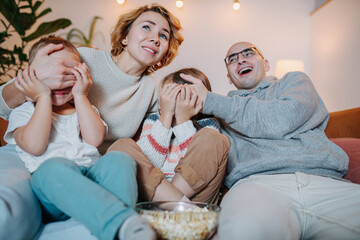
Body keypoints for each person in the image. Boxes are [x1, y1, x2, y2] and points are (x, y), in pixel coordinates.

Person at [0, 4, 183, 240]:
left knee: (121, 158)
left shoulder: (152, 91)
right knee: (50, 172)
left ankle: (126, 227)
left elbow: (150, 139)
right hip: (48, 163)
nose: (155, 38)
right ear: (125, 36)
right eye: (146, 27)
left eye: (163, 35)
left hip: (94, 166)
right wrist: (36, 81)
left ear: (167, 48)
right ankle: (122, 223)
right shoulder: (80, 58)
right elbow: (5, 104)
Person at [183, 41, 360, 239]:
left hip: (326, 185)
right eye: (232, 59)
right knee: (241, 231)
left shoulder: (294, 82)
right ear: (229, 77)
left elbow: (282, 119)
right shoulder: (220, 113)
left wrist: (211, 100)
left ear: (266, 64)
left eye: (248, 53)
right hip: (257, 187)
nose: (240, 59)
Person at [108, 68, 229, 204]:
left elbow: (196, 167)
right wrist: (165, 116)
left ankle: (169, 204)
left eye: (174, 95)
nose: (167, 100)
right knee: (121, 146)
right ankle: (176, 206)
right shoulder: (154, 121)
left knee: (214, 138)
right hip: (154, 193)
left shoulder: (207, 125)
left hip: (195, 198)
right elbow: (148, 161)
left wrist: (183, 119)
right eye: (164, 95)